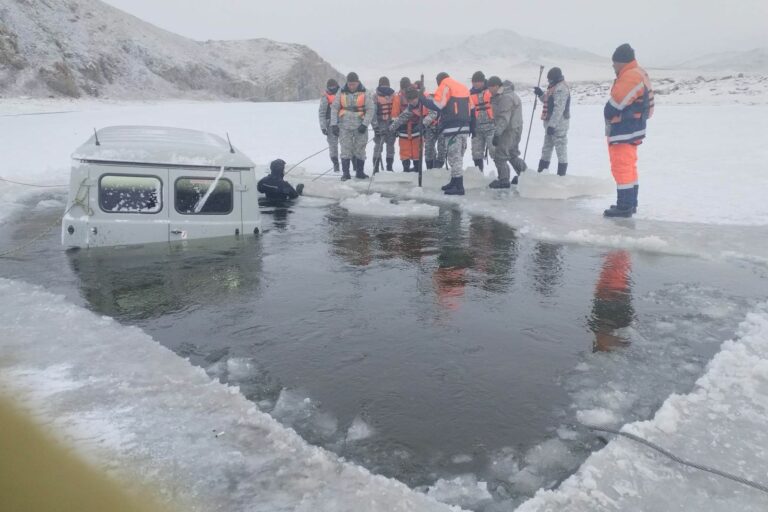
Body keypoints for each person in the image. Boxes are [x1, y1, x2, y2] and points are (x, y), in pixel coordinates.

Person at [603, 44, 654, 217]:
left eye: (614, 62)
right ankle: (631, 203)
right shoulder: (639, 73)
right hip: (632, 129)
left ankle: (624, 206)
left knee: (621, 167)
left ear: (621, 62)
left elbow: (616, 103)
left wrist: (608, 112)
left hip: (624, 130)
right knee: (629, 167)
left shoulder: (630, 76)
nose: (613, 66)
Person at [432, 72, 472, 195]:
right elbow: (472, 108)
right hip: (464, 127)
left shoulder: (445, 85)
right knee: (455, 156)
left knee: (455, 158)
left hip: (452, 129)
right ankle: (454, 182)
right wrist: (472, 127)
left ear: (439, 80)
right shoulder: (462, 87)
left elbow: (438, 105)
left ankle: (459, 187)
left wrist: (423, 100)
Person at [330, 72, 375, 181]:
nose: (351, 86)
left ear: (357, 82)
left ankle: (360, 172)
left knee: (360, 148)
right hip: (344, 125)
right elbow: (335, 108)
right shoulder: (341, 92)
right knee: (345, 149)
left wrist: (365, 124)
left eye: (353, 84)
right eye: (350, 84)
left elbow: (370, 109)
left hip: (360, 126)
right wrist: (334, 124)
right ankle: (346, 174)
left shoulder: (365, 92)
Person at [487, 76, 526, 188]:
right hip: (515, 128)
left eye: (490, 88)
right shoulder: (509, 94)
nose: (489, 90)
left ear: (496, 86)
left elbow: (504, 118)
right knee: (512, 154)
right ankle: (525, 175)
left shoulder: (505, 98)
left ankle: (504, 180)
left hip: (508, 130)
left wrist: (497, 134)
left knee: (500, 155)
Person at [388, 87, 436, 175]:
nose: (412, 102)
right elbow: (403, 117)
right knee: (428, 149)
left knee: (436, 150)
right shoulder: (411, 107)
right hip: (428, 125)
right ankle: (429, 171)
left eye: (414, 100)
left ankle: (435, 171)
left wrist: (422, 124)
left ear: (417, 97)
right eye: (410, 101)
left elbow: (434, 113)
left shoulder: (427, 100)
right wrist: (391, 128)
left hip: (439, 124)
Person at [534, 67, 571, 175]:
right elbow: (548, 101)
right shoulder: (554, 87)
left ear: (555, 78)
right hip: (550, 125)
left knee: (561, 150)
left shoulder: (561, 88)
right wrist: (540, 94)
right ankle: (541, 172)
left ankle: (561, 176)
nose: (549, 81)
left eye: (550, 79)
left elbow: (558, 109)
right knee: (546, 149)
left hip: (559, 126)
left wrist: (552, 125)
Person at [468, 71, 494, 172]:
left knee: (495, 152)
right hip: (477, 128)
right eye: (474, 82)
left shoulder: (491, 91)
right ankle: (479, 175)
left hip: (491, 127)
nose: (475, 84)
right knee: (476, 153)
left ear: (483, 81)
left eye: (477, 81)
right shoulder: (469, 94)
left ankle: (503, 176)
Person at [372, 76, 396, 173]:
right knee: (390, 146)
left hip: (382, 124)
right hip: (391, 124)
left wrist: (375, 127)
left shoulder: (375, 96)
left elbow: (373, 113)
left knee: (378, 146)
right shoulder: (394, 96)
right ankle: (389, 168)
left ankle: (376, 169)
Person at [318, 78, 340, 173]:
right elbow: (322, 113)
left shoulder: (342, 94)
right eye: (330, 87)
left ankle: (352, 164)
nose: (332, 88)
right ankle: (336, 164)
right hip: (330, 124)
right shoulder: (325, 97)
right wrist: (323, 127)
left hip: (343, 123)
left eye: (334, 86)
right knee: (333, 146)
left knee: (347, 145)